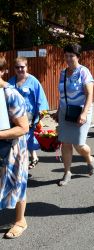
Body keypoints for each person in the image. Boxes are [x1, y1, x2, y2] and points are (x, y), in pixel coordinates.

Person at [52, 44, 94, 186]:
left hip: (81, 112)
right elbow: (62, 94)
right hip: (66, 112)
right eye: (66, 55)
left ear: (77, 57)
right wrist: (59, 111)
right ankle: (67, 172)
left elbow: (89, 95)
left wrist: (84, 113)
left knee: (79, 144)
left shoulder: (84, 72)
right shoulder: (63, 73)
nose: (69, 58)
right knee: (66, 143)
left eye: (72, 56)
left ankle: (89, 158)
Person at [0, 56, 29, 239]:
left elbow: (23, 127)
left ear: (2, 71)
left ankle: (20, 221)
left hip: (12, 147)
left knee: (17, 182)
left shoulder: (10, 94)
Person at [8, 57, 49, 169]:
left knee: (27, 137)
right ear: (14, 68)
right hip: (15, 116)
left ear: (27, 67)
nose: (20, 69)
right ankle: (32, 158)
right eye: (17, 67)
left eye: (22, 67)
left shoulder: (33, 81)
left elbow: (40, 97)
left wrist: (41, 111)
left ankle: (25, 161)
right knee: (21, 137)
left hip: (30, 116)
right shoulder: (11, 82)